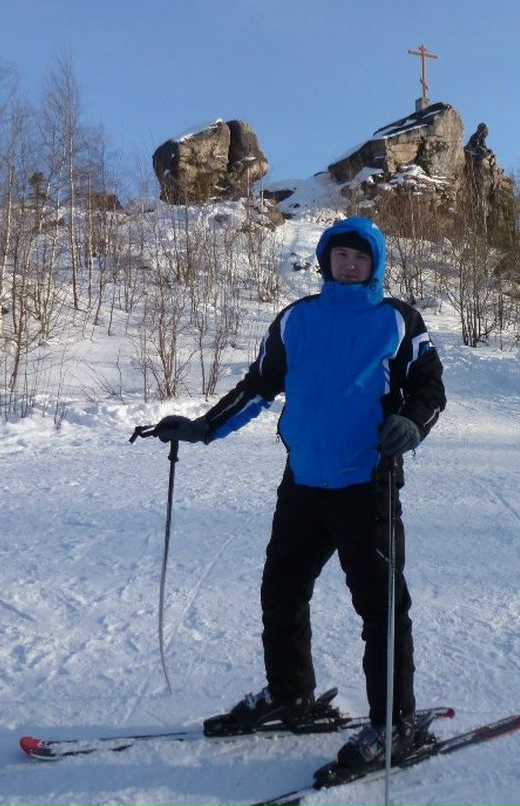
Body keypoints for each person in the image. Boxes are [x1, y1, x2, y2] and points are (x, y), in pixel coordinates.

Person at [152, 215, 446, 768]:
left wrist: (412, 422)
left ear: (375, 264)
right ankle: (290, 694)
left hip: (368, 486)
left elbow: (430, 387)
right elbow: (259, 385)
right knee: (281, 592)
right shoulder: (296, 320)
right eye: (341, 256)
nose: (350, 264)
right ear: (326, 261)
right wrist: (203, 426)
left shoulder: (398, 320)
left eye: (361, 257)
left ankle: (395, 724)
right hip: (305, 484)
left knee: (381, 609)